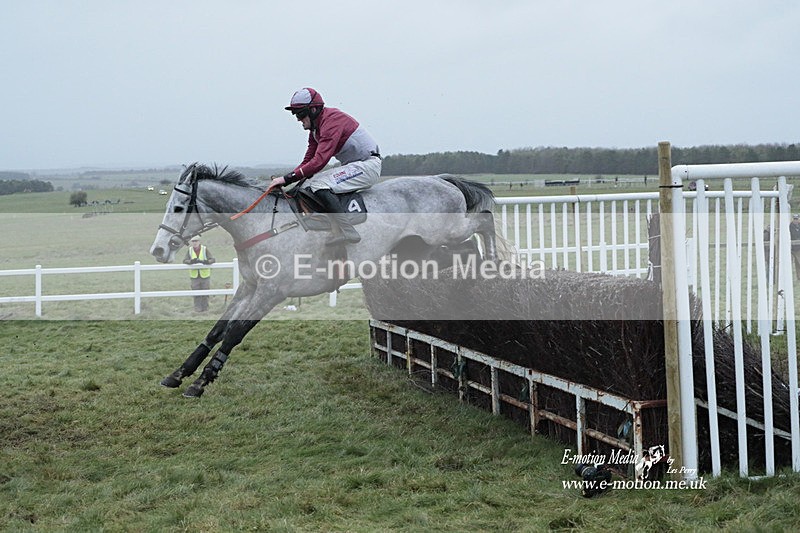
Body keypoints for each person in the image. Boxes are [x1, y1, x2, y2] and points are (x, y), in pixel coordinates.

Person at [266, 87, 381, 246]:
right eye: (295, 114)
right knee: (308, 184)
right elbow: (308, 160)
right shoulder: (316, 129)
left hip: (368, 166)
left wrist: (287, 179)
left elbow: (320, 161)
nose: (298, 119)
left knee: (320, 184)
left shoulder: (331, 122)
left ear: (313, 110)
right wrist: (286, 180)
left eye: (300, 113)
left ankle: (348, 231)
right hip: (355, 165)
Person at [183, 235, 215, 312]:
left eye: (196, 241)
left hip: (205, 274)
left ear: (199, 242)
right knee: (196, 292)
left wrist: (206, 262)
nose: (194, 243)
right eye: (193, 241)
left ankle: (205, 308)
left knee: (205, 292)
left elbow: (212, 259)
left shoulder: (204, 249)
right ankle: (197, 308)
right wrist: (191, 261)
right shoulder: (190, 250)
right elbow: (185, 260)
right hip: (194, 276)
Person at [790, 214, 800, 280]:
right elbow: (793, 235)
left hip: (798, 246)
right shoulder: (790, 226)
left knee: (798, 262)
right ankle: (798, 276)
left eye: (796, 219)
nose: (795, 220)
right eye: (794, 219)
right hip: (794, 247)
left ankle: (799, 277)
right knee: (797, 262)